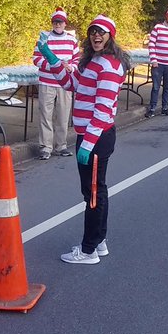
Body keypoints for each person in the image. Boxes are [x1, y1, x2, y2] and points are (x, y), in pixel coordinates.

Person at [36, 15, 129, 265]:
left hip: (96, 138)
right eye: (92, 32)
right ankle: (99, 241)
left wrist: (87, 144)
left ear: (111, 36)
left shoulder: (109, 66)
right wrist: (50, 56)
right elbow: (71, 83)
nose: (96, 36)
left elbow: (102, 109)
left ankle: (88, 250)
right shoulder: (93, 62)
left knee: (94, 194)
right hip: (91, 136)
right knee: (95, 191)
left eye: (101, 32)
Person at [32, 8, 81, 160]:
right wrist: (54, 66)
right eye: (55, 22)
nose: (57, 24)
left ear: (65, 24)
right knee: (45, 115)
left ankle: (61, 145)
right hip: (47, 81)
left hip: (65, 83)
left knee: (63, 115)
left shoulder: (72, 40)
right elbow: (36, 59)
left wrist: (70, 67)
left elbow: (77, 60)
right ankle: (45, 147)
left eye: (60, 22)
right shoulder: (43, 38)